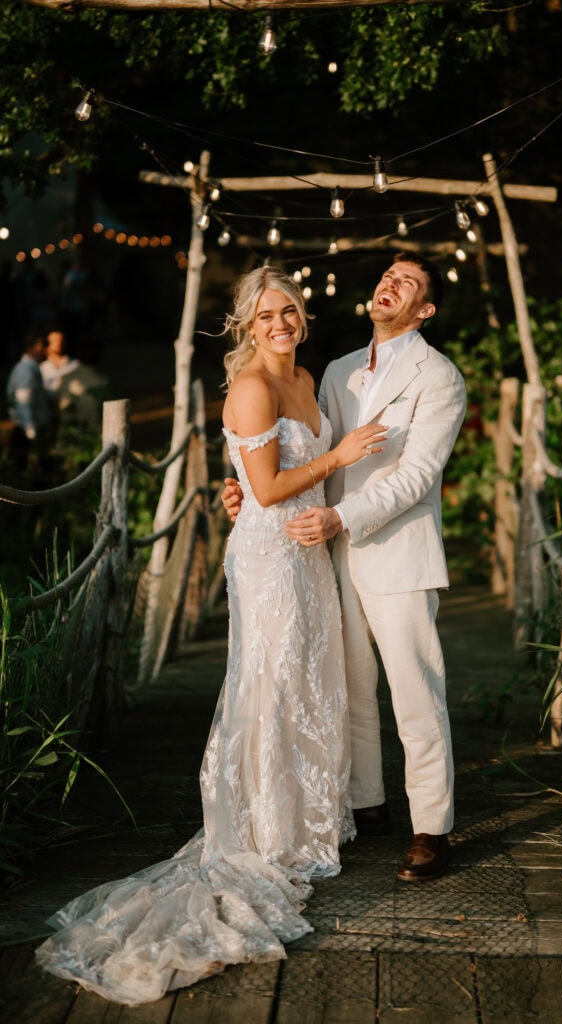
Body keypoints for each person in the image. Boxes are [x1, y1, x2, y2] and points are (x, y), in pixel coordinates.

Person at [35, 266, 387, 1007]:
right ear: (247, 327)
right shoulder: (254, 386)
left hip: (309, 552)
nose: (280, 323)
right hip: (268, 554)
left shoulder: (310, 376)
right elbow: (261, 490)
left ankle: (301, 824)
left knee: (306, 683)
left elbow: (266, 476)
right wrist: (337, 457)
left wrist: (315, 473)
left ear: (302, 315)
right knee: (267, 686)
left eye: (288, 309)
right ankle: (261, 833)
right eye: (265, 315)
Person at [223, 252, 466, 882]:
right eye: (388, 274)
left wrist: (342, 517)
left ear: (425, 309)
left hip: (396, 549)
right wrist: (244, 489)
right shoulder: (337, 370)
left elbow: (416, 475)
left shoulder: (439, 377)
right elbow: (294, 448)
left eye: (406, 283)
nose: (390, 283)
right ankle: (366, 804)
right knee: (350, 686)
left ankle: (431, 829)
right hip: (320, 553)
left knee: (416, 692)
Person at [5, 332, 51, 472]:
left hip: (29, 431)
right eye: (43, 347)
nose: (46, 351)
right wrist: (30, 430)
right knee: (22, 477)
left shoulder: (31, 368)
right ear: (35, 348)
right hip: (26, 433)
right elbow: (23, 402)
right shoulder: (26, 370)